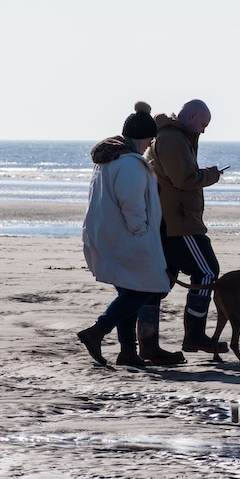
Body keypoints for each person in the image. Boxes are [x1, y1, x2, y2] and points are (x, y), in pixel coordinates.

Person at [77, 101, 182, 368]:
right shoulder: (131, 164)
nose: (150, 145)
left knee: (129, 290)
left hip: (105, 234)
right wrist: (142, 230)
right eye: (149, 139)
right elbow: (131, 202)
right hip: (127, 236)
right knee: (144, 288)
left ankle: (127, 352)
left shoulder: (108, 162)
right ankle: (97, 332)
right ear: (142, 137)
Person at [139, 99, 229, 355]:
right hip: (180, 223)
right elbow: (184, 179)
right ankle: (194, 335)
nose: (203, 130)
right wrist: (211, 174)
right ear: (190, 116)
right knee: (207, 271)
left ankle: (148, 345)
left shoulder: (172, 137)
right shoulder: (173, 139)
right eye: (203, 124)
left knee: (158, 284)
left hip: (171, 220)